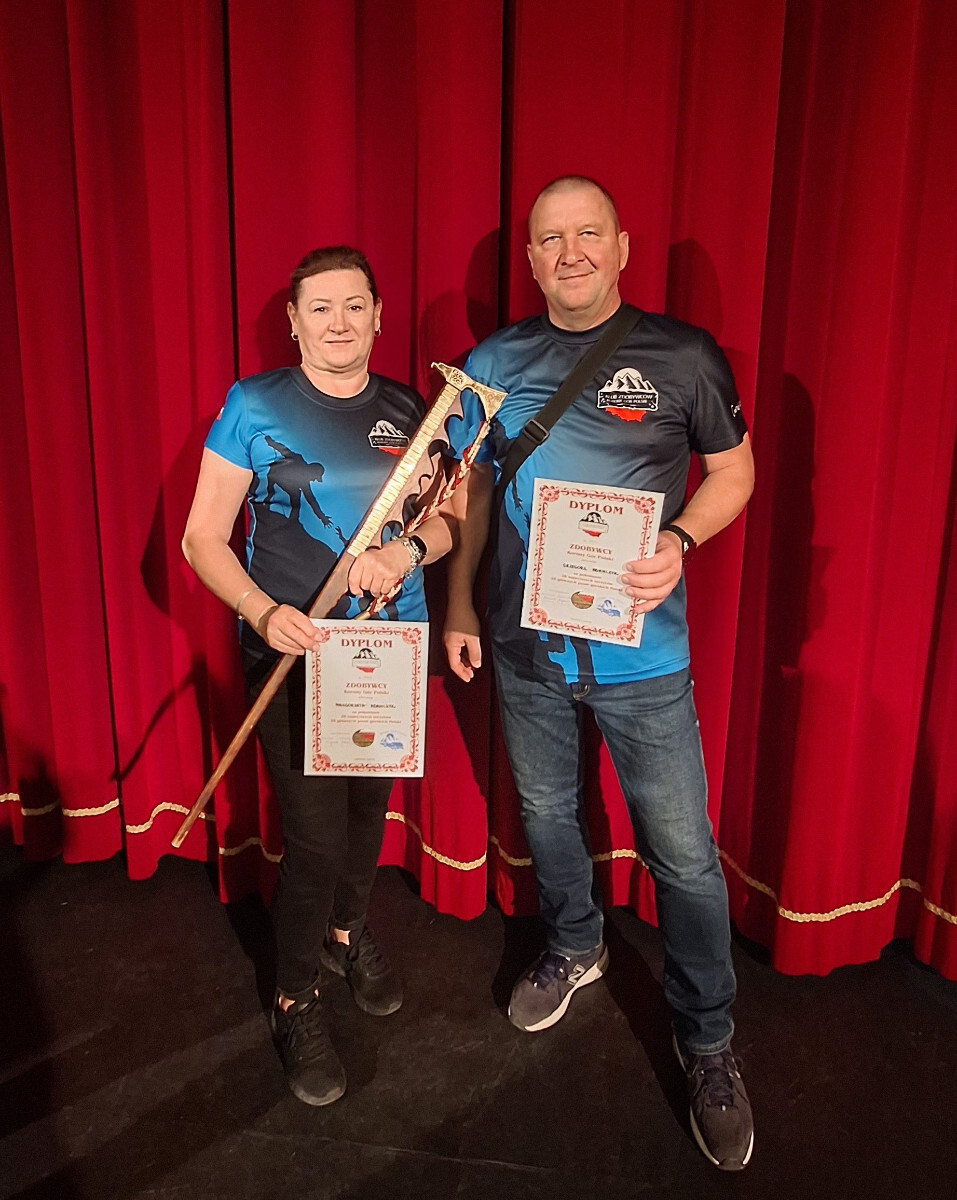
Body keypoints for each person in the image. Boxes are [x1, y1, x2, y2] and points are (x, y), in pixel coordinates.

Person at [443, 178, 756, 1170]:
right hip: (524, 649)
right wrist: (459, 603)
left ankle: (707, 1039)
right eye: (550, 239)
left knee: (683, 856)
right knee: (546, 815)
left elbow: (734, 472)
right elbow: (469, 494)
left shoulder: (683, 356)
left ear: (621, 247)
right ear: (531, 260)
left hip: (642, 656)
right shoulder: (493, 364)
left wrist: (681, 539)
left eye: (588, 234)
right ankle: (575, 944)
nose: (569, 252)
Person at [183, 246, 455, 1107]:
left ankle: (345, 932)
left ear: (379, 315)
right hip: (292, 654)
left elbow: (448, 520)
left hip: (386, 652)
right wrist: (262, 611)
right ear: (294, 322)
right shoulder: (254, 404)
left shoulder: (413, 411)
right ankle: (294, 996)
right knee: (314, 839)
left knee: (368, 816)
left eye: (354, 305)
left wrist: (407, 551)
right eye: (320, 308)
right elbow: (200, 537)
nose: (339, 322)